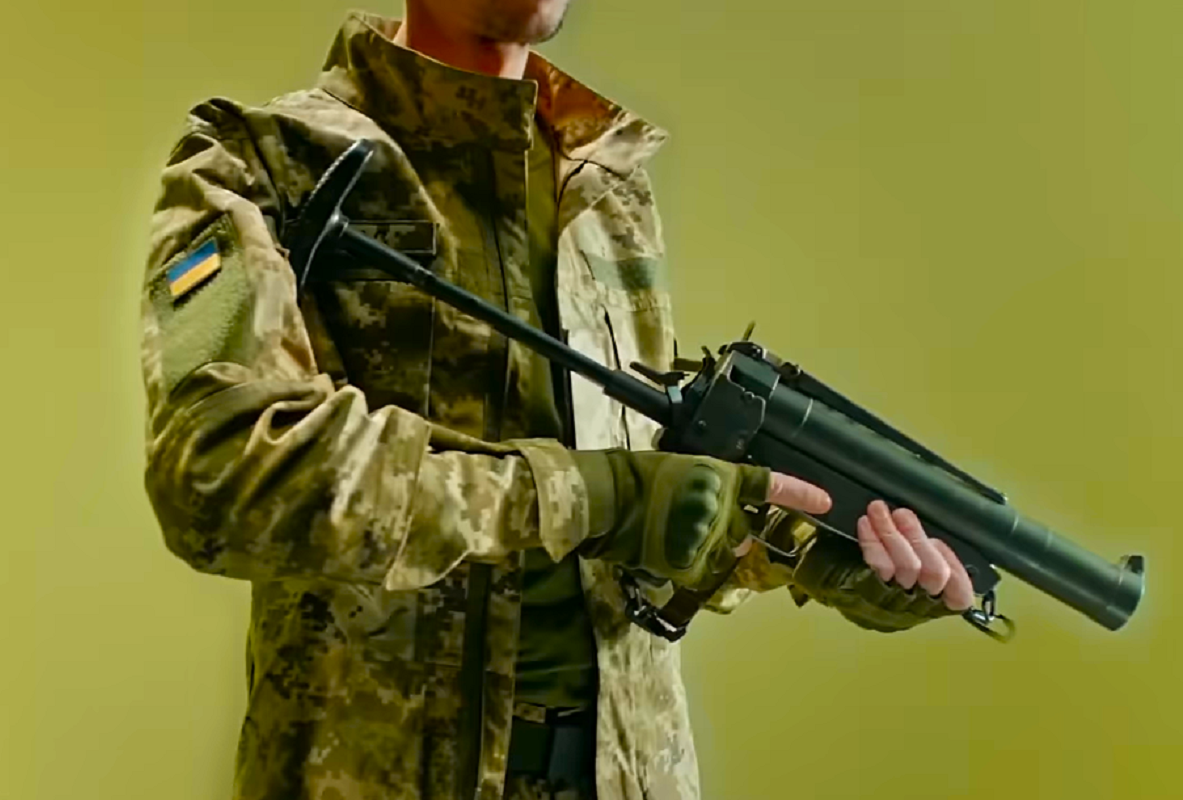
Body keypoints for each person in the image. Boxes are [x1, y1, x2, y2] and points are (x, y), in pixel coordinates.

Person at [137, 3, 975, 798]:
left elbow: (653, 520)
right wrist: (595, 496)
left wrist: (823, 552)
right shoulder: (261, 160)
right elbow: (221, 475)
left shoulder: (606, 186)